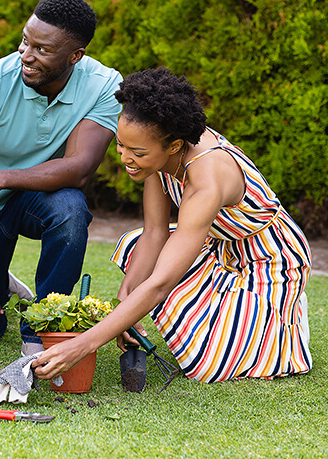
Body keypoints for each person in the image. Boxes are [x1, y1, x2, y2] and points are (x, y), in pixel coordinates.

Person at [33, 67, 312, 383]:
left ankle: (276, 325)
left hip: (269, 257)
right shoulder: (159, 154)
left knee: (209, 368)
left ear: (175, 146)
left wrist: (81, 345)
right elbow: (154, 233)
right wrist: (125, 303)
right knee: (135, 243)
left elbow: (162, 282)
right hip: (220, 245)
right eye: (121, 145)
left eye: (137, 152)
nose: (125, 158)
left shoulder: (207, 178)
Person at [0, 0, 123, 355]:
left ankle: (41, 328)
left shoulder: (103, 84)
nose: (26, 55)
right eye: (26, 40)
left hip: (34, 199)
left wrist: (1, 178)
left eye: (42, 49)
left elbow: (80, 167)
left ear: (75, 56)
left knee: (71, 210)